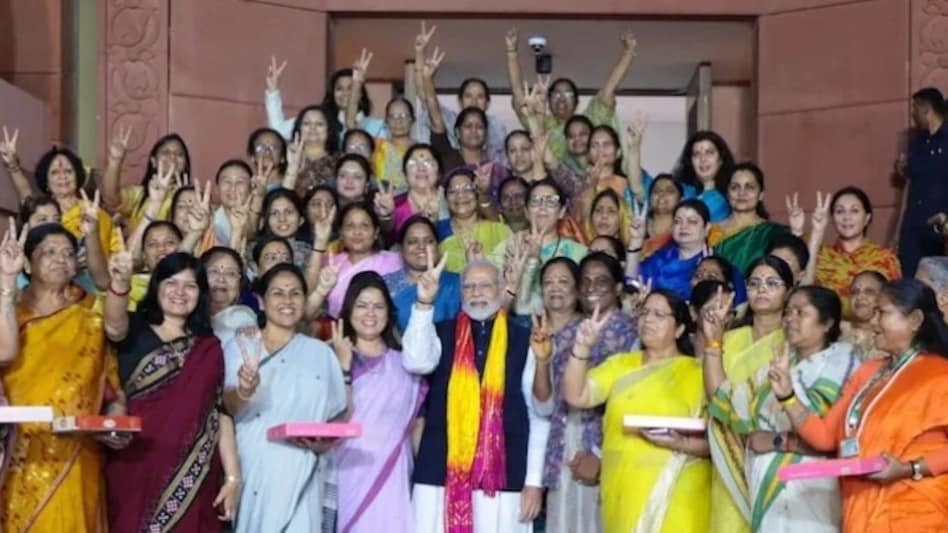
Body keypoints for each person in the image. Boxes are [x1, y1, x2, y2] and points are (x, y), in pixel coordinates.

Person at [773, 279, 948, 532]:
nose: (873, 322)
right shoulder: (868, 371)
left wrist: (909, 468)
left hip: (917, 511)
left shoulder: (940, 374)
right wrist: (787, 396)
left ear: (915, 320)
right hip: (860, 512)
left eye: (882, 312)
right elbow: (824, 438)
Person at [0, 222, 129, 532]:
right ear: (27, 262)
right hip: (16, 450)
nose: (61, 259)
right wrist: (5, 281)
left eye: (69, 253)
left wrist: (115, 420)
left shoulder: (91, 314)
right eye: (49, 252)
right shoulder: (9, 310)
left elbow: (110, 386)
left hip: (75, 449)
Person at [704, 285, 858, 532]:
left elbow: (831, 435)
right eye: (787, 312)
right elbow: (723, 402)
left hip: (813, 490)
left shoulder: (844, 360)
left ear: (827, 322)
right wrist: (713, 341)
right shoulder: (775, 368)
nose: (790, 319)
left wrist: (777, 440)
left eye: (800, 312)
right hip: (769, 488)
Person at [411, 259, 548, 533]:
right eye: (469, 286)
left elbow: (539, 414)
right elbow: (416, 361)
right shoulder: (439, 332)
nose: (476, 292)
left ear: (501, 289)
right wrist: (424, 304)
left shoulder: (524, 340)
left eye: (485, 285)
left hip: (504, 477)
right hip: (440, 474)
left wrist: (534, 481)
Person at [107, 252, 240, 531]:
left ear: (200, 294)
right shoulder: (134, 328)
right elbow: (113, 323)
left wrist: (232, 477)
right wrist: (120, 282)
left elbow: (219, 414)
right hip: (133, 465)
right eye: (171, 282)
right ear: (156, 286)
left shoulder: (209, 347)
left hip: (194, 474)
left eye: (190, 285)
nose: (180, 292)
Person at [561, 290, 710, 532]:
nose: (648, 319)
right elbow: (576, 395)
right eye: (644, 312)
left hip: (679, 495)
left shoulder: (698, 373)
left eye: (659, 314)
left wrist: (681, 443)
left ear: (680, 329)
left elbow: (719, 441)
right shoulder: (621, 365)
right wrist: (582, 347)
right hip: (623, 492)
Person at [223, 263, 347, 532]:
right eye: (278, 293)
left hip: (304, 467)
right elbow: (226, 408)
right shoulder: (242, 345)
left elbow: (338, 415)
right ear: (262, 302)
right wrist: (245, 388)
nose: (287, 301)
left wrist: (324, 444)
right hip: (256, 465)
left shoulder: (320, 353)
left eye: (295, 293)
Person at [532, 253, 637, 532]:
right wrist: (542, 362)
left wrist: (602, 459)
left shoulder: (634, 333)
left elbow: (634, 405)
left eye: (602, 281)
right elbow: (544, 407)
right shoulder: (567, 334)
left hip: (609, 450)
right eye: (586, 281)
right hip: (565, 448)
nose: (592, 288)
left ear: (617, 288)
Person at [335, 266, 444, 532]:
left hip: (394, 475)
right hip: (346, 474)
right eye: (362, 305)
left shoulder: (405, 363)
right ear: (349, 310)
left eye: (378, 306)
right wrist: (343, 369)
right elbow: (338, 420)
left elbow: (417, 426)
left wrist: (430, 479)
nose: (370, 314)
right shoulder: (330, 357)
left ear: (389, 312)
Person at [700, 255, 793, 532]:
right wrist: (713, 341)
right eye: (754, 283)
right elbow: (714, 399)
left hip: (773, 456)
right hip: (727, 453)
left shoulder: (793, 343)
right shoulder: (727, 340)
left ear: (788, 291)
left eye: (771, 283)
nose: (761, 289)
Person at [506, 29, 636, 161]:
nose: (562, 99)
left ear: (577, 102)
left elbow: (609, 88)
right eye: (556, 95)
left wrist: (628, 52)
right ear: (548, 102)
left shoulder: (590, 120)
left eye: (568, 94)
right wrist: (512, 53)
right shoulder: (540, 122)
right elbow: (518, 95)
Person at [814, 187, 901, 314]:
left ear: (866, 218)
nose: (846, 217)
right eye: (839, 211)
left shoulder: (885, 258)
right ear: (832, 218)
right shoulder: (820, 256)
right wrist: (817, 233)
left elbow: (896, 305)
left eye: (854, 211)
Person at [894, 87, 948, 276]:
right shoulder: (919, 142)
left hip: (940, 228)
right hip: (913, 227)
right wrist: (901, 168)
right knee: (908, 278)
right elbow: (910, 177)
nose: (912, 115)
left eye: (914, 109)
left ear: (926, 110)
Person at [265, 59, 385, 141]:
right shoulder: (320, 121)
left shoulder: (376, 127)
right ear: (332, 93)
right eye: (339, 89)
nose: (345, 94)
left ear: (360, 93)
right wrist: (273, 91)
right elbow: (278, 131)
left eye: (351, 88)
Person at [100, 131, 192, 233]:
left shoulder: (195, 196)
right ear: (153, 161)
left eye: (179, 154)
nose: (173, 157)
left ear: (185, 163)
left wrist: (183, 200)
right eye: (166, 152)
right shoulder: (140, 194)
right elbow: (111, 199)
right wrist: (115, 161)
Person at [383, 215, 462, 331]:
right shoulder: (386, 285)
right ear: (401, 248)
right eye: (412, 242)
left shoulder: (457, 283)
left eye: (429, 241)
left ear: (438, 246)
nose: (421, 247)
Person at [324, 202, 402, 317]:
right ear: (341, 232)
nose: (357, 232)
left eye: (364, 226)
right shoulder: (330, 263)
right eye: (350, 226)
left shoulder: (394, 262)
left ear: (376, 232)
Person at [627, 199, 715, 301]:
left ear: (707, 228)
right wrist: (635, 242)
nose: (683, 227)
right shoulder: (661, 258)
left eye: (692, 222)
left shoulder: (716, 266)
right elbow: (631, 284)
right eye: (677, 221)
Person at [714, 163, 790, 275]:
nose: (741, 193)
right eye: (735, 187)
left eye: (749, 187)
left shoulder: (771, 232)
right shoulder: (710, 230)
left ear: (761, 195)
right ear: (727, 194)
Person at [437, 168, 511, 273]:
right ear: (446, 198)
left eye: (467, 189)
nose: (460, 196)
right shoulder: (438, 236)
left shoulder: (499, 230)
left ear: (477, 194)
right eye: (453, 191)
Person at [672, 131, 735, 222]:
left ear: (721, 160)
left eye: (709, 153)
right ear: (690, 162)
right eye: (697, 154)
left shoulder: (731, 196)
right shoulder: (685, 192)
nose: (703, 159)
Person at [841, 270, 888, 359]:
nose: (859, 297)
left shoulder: (888, 338)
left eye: (869, 292)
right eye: (855, 292)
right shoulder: (837, 331)